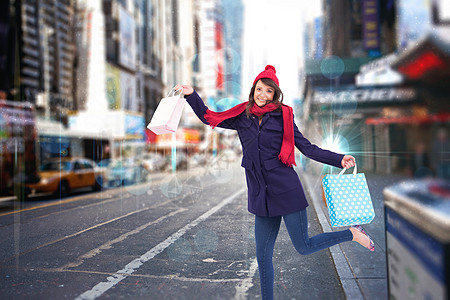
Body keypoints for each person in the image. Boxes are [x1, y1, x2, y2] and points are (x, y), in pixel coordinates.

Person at [175, 65, 374, 300]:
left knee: (304, 245)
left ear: (274, 94)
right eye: (259, 89)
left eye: (268, 91)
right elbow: (210, 116)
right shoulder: (241, 116)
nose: (262, 94)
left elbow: (307, 148)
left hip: (287, 191)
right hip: (261, 195)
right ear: (253, 90)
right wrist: (191, 95)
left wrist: (338, 158)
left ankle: (351, 234)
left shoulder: (284, 117)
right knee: (263, 255)